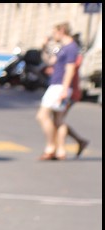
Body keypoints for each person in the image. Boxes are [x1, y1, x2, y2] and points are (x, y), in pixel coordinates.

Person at [39, 22, 83, 160]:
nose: (53, 35)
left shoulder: (71, 48)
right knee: (58, 120)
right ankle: (60, 151)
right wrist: (44, 47)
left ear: (62, 31)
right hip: (57, 84)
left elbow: (70, 69)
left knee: (42, 116)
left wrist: (64, 89)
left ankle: (51, 147)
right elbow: (50, 61)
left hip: (59, 86)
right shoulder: (63, 47)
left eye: (54, 32)